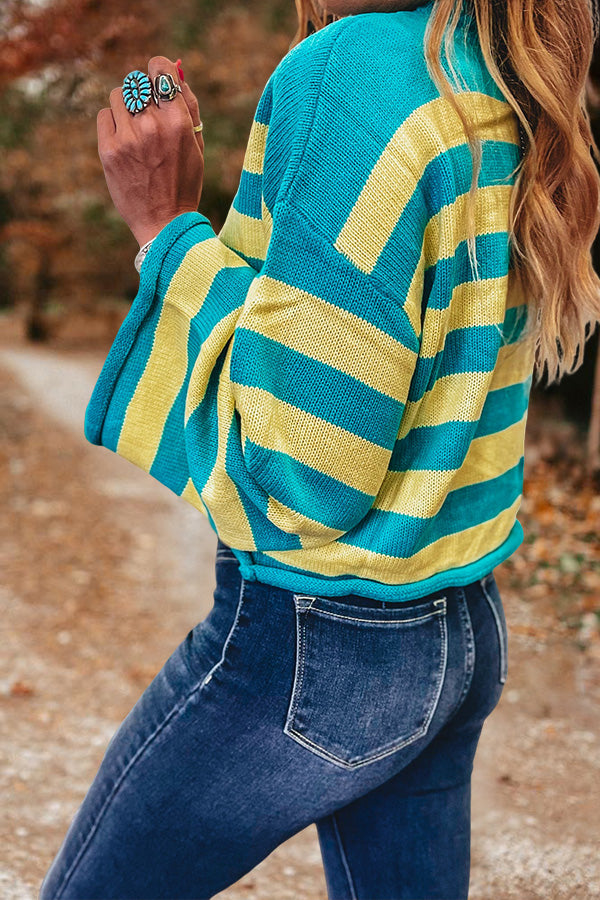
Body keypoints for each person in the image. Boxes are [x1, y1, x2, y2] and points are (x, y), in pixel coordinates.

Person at [40, 0, 600, 897]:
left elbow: (302, 472)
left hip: (322, 647)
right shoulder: (495, 64)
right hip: (460, 619)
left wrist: (165, 230)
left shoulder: (345, 75)